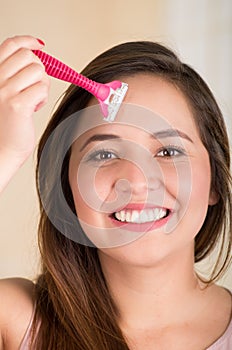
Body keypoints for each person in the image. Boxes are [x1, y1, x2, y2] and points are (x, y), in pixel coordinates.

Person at [0, 35, 231, 350]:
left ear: (215, 182)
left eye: (168, 152)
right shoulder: (15, 322)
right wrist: (5, 153)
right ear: (68, 188)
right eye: (104, 155)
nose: (136, 181)